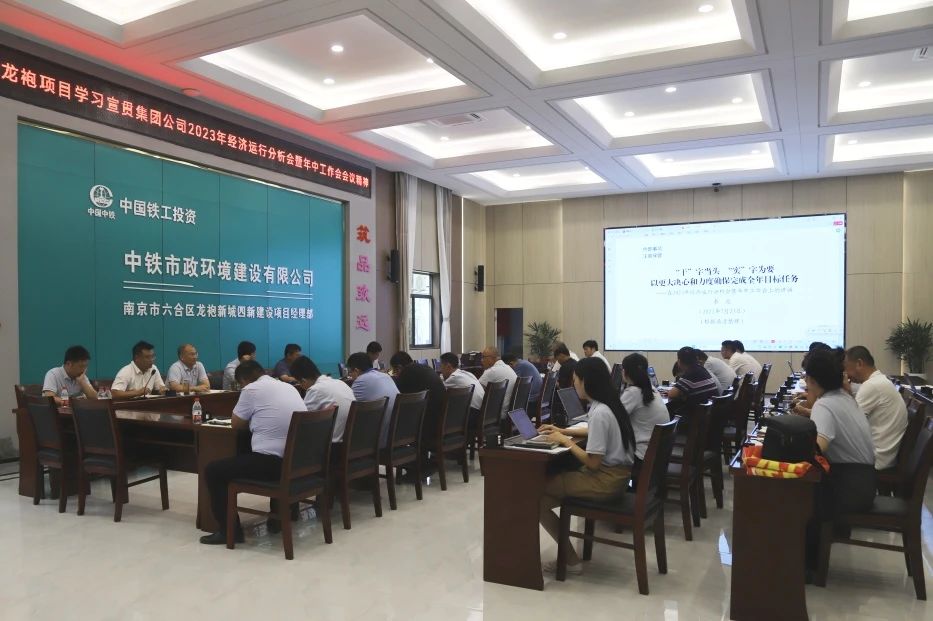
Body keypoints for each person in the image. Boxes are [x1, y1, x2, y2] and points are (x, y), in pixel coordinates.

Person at [536, 357, 636, 573]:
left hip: (604, 481)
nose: (574, 385)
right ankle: (570, 559)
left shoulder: (600, 413)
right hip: (618, 477)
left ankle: (570, 561)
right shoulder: (610, 405)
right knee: (541, 500)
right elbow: (594, 431)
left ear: (586, 381)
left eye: (575, 380)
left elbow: (593, 463)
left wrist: (565, 442)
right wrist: (563, 431)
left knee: (534, 493)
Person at [200, 360, 306, 545]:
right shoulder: (289, 387)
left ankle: (229, 532)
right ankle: (280, 516)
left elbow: (236, 423)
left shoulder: (251, 389)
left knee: (213, 470)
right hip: (298, 461)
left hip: (273, 464)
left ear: (244, 380)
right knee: (246, 451)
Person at [802, 349, 876, 572]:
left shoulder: (825, 405)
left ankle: (805, 566)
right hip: (863, 483)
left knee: (790, 491)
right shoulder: (844, 397)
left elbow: (816, 452)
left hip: (849, 489)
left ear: (813, 380)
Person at [843, 346, 908, 471]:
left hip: (876, 457)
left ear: (859, 363)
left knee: (827, 454)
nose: (847, 375)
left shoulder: (872, 385)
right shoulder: (879, 381)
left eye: (847, 368)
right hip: (882, 453)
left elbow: (849, 422)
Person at [619, 353, 670, 470]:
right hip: (657, 456)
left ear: (625, 371)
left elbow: (612, 420)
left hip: (641, 458)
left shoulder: (633, 392)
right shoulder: (652, 389)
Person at [291, 355, 353, 442]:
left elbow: (302, 422)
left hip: (332, 444)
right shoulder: (340, 383)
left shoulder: (315, 390)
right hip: (351, 440)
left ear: (303, 380)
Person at [390, 351, 447, 443]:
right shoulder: (425, 367)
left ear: (399, 368)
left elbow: (398, 398)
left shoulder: (406, 372)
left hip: (428, 426)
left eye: (395, 371)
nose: (395, 374)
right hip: (442, 420)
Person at [347, 351, 398, 447]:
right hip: (395, 435)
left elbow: (348, 409)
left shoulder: (360, 381)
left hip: (376, 440)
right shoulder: (386, 376)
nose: (350, 376)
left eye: (350, 372)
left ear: (356, 371)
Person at [666, 346, 719, 412]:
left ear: (679, 361)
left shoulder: (690, 373)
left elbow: (671, 394)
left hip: (699, 415)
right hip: (711, 411)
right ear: (696, 358)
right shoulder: (702, 369)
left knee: (670, 408)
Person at [478, 346, 517, 419]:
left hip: (497, 414)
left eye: (483, 357)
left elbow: (476, 391)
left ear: (491, 358)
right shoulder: (507, 367)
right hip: (509, 412)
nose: (481, 360)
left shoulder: (492, 371)